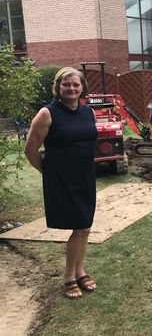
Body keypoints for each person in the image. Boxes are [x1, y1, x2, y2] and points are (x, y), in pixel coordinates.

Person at [25, 67, 98, 298]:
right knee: (81, 227)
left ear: (82, 87)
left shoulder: (88, 112)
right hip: (62, 179)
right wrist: (50, 174)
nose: (71, 88)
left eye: (76, 84)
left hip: (85, 176)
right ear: (58, 87)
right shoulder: (47, 113)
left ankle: (80, 270)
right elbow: (30, 150)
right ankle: (69, 277)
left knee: (84, 227)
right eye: (66, 85)